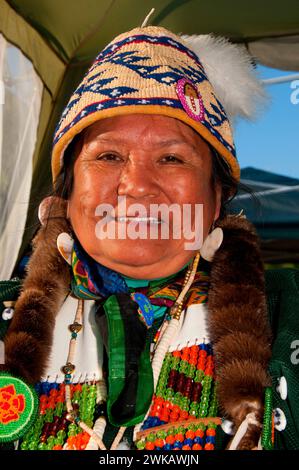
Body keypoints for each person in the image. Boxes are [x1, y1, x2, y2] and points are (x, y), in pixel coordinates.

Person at [0, 22, 298, 451]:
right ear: (67, 194)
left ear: (216, 200)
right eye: (108, 155)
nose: (137, 185)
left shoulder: (286, 317)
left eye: (172, 158)